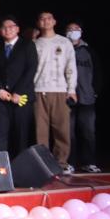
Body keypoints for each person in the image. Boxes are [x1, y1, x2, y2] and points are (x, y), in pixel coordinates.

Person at [33, 11, 77, 173]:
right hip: (38, 90)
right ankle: (44, 165)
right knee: (41, 131)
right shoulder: (35, 43)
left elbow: (71, 67)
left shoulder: (64, 42)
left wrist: (71, 89)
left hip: (60, 90)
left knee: (62, 129)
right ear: (38, 23)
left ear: (54, 21)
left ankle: (61, 163)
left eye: (49, 18)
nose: (45, 21)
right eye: (42, 18)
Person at [0, 16, 38, 158]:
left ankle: (21, 166)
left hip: (21, 97)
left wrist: (18, 92)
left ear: (17, 29)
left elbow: (31, 69)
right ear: (0, 30)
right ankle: (1, 165)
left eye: (11, 27)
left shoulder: (27, 45)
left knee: (21, 135)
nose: (7, 30)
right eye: (4, 27)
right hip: (1, 98)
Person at [66, 22, 101, 173]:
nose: (73, 31)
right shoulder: (63, 48)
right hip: (67, 98)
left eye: (76, 29)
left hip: (87, 97)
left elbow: (98, 72)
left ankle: (89, 162)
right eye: (70, 29)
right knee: (68, 133)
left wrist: (95, 91)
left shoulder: (88, 51)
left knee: (88, 132)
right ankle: (69, 163)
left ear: (81, 31)